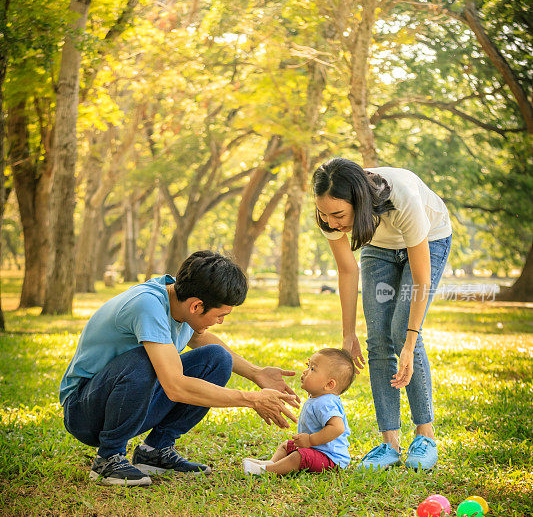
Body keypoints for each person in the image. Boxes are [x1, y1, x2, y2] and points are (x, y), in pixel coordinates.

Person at [60, 251, 299, 487]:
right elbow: (174, 386)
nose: (221, 322)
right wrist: (252, 399)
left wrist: (256, 373)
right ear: (196, 306)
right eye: (220, 315)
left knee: (218, 358)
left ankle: (155, 451)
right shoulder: (147, 306)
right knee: (146, 359)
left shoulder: (180, 300)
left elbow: (204, 342)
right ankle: (109, 458)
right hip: (85, 411)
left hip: (129, 403)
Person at [312, 159, 452, 472]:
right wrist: (348, 334)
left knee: (402, 332)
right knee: (377, 338)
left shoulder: (403, 198)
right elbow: (347, 270)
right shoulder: (328, 216)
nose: (332, 223)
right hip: (378, 247)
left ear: (360, 203)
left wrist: (410, 340)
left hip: (430, 239)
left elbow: (421, 280)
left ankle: (425, 437)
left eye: (338, 215)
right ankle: (389, 442)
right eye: (324, 214)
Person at [242, 348, 354, 476]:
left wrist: (310, 440)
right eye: (308, 366)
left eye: (312, 369)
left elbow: (338, 428)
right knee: (286, 446)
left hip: (331, 459)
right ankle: (271, 464)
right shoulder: (318, 398)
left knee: (299, 457)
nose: (305, 371)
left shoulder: (326, 403)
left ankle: (266, 471)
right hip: (316, 451)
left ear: (329, 384)